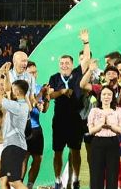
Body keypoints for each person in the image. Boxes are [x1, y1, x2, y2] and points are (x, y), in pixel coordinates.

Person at [48, 30, 91, 189]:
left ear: (72, 65)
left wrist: (86, 42)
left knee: (75, 151)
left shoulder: (77, 74)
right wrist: (61, 92)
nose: (64, 65)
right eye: (62, 63)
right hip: (59, 120)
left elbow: (86, 60)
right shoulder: (54, 78)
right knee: (57, 152)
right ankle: (57, 180)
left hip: (75, 121)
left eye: (67, 63)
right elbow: (49, 95)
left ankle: (76, 179)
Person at [0, 68, 31, 189]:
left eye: (13, 89)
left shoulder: (17, 106)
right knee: (4, 181)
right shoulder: (21, 105)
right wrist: (7, 74)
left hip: (14, 147)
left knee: (14, 182)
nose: (10, 91)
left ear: (16, 91)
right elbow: (7, 90)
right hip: (11, 146)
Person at [88, 85, 121, 189]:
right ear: (100, 97)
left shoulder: (118, 110)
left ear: (113, 97)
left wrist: (110, 125)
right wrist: (101, 125)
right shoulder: (94, 111)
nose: (106, 97)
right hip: (97, 143)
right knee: (96, 174)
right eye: (104, 94)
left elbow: (119, 130)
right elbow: (91, 131)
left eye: (109, 94)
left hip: (113, 143)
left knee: (112, 174)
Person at [25, 61, 48, 189]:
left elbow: (44, 110)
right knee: (24, 159)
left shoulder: (40, 88)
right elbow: (30, 105)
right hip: (24, 129)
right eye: (31, 73)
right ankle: (18, 185)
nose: (33, 75)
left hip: (36, 128)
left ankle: (29, 185)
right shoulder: (21, 87)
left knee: (38, 159)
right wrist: (38, 100)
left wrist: (47, 98)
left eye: (35, 72)